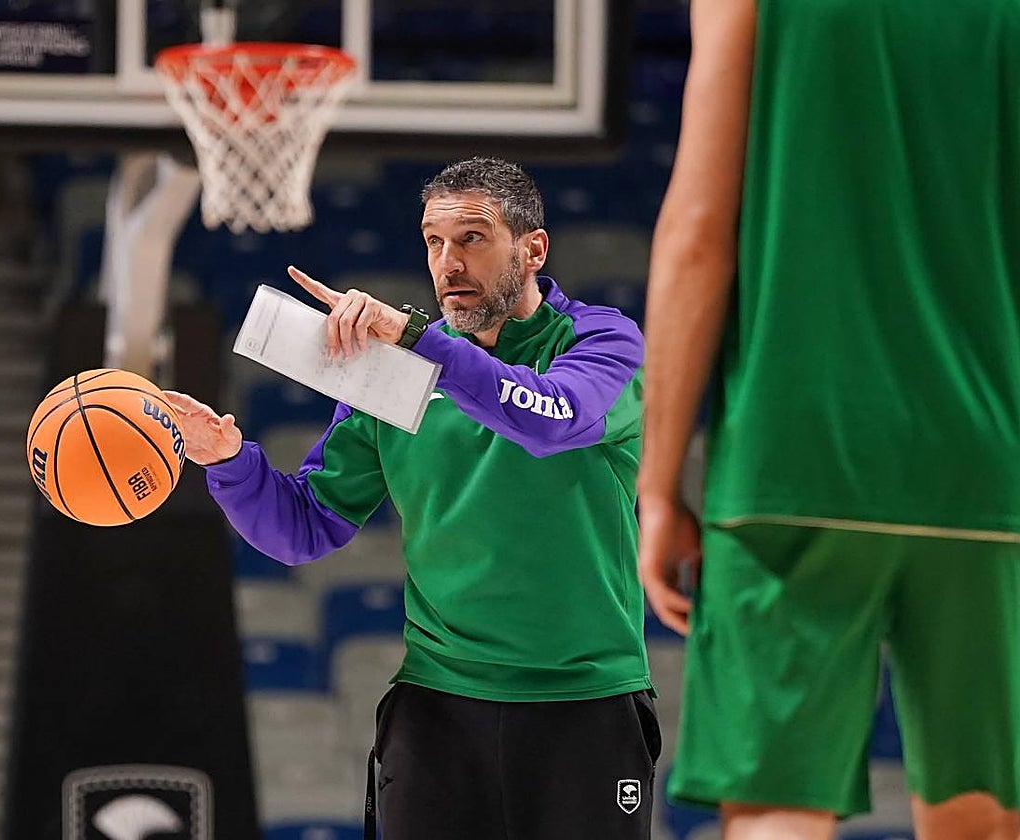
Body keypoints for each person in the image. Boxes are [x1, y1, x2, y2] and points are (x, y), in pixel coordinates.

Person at [164, 157, 659, 839]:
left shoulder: (603, 341)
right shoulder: (395, 372)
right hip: (438, 705)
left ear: (534, 249)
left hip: (586, 702)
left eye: (472, 238)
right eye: (434, 242)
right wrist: (227, 461)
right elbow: (304, 528)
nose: (448, 262)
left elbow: (549, 418)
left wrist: (418, 341)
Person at [637, 0, 1020, 838]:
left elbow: (697, 237)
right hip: (990, 464)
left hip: (791, 455)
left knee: (776, 809)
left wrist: (658, 487)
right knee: (987, 812)